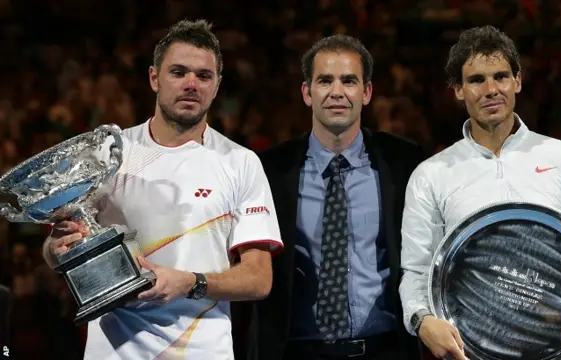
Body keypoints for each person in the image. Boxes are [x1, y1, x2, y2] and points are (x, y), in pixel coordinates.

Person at [41, 19, 283, 360]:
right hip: (112, 351)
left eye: (204, 76)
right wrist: (56, 247)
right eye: (178, 72)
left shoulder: (240, 162)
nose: (191, 84)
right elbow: (56, 252)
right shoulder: (108, 154)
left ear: (217, 86)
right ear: (154, 78)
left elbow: (259, 279)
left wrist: (190, 282)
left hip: (201, 351)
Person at [399, 25, 561, 360]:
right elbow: (418, 270)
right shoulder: (431, 175)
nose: (491, 89)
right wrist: (423, 320)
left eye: (500, 76)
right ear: (457, 90)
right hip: (471, 351)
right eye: (476, 80)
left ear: (518, 81)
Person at [244, 35, 424, 360]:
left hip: (386, 349)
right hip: (296, 351)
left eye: (349, 81)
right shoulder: (270, 170)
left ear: (366, 92)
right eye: (325, 80)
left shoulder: (403, 163)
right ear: (307, 93)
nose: (337, 92)